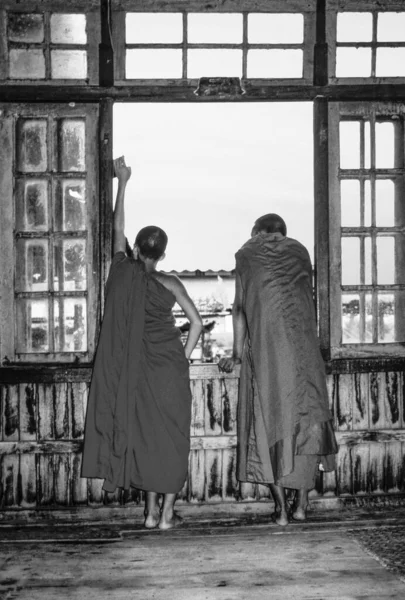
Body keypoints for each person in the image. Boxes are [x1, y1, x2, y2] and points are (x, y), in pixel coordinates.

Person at [82, 156, 202, 530]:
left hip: (140, 373)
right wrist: (181, 357)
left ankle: (150, 515)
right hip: (169, 368)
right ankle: (167, 514)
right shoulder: (170, 283)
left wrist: (123, 182)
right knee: (173, 439)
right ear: (163, 255)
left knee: (148, 440)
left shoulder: (122, 271)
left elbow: (116, 230)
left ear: (136, 249)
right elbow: (196, 325)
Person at [219, 213, 338, 526]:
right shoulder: (300, 252)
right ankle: (301, 506)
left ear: (258, 232)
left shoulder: (248, 253)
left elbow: (239, 309)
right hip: (306, 355)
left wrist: (235, 353)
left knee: (266, 425)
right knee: (309, 422)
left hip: (268, 354)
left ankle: (282, 511)